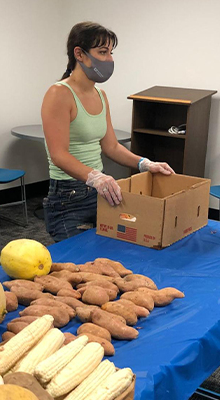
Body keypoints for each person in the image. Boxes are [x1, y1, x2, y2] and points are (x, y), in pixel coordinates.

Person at [41, 22, 175, 242]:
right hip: (68, 196)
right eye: (102, 52)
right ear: (79, 54)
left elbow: (111, 146)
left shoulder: (100, 95)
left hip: (101, 192)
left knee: (110, 258)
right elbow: (58, 154)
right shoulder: (59, 93)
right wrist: (95, 177)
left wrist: (145, 163)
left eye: (111, 53)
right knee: (79, 266)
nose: (109, 60)